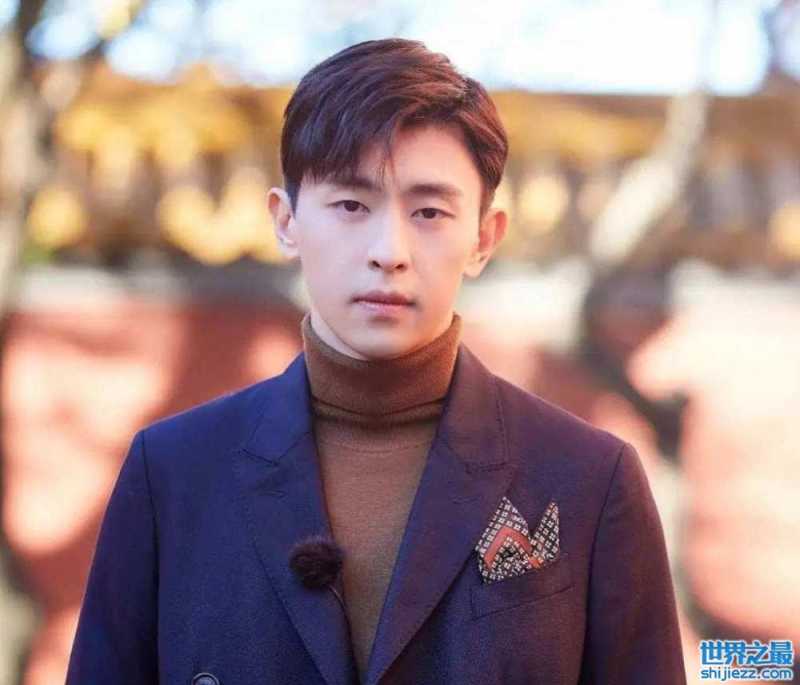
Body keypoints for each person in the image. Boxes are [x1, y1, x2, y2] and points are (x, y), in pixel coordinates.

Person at [66, 38, 686, 685]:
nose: (389, 251)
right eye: (351, 206)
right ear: (286, 221)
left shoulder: (588, 479)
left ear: (484, 237)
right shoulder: (172, 475)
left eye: (429, 211)